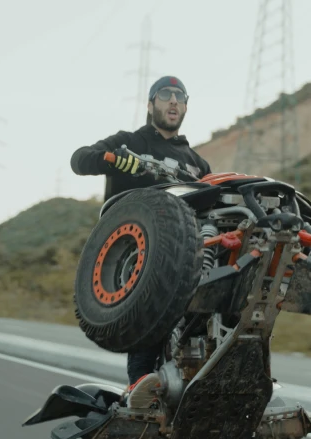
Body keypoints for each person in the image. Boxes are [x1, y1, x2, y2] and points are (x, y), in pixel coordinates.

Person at [71, 75, 211, 409]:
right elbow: (80, 159)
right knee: (152, 302)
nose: (173, 101)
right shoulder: (130, 141)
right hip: (135, 250)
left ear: (186, 106)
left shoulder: (197, 162)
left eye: (180, 96)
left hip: (189, 251)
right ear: (151, 105)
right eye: (165, 94)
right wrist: (115, 159)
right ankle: (140, 391)